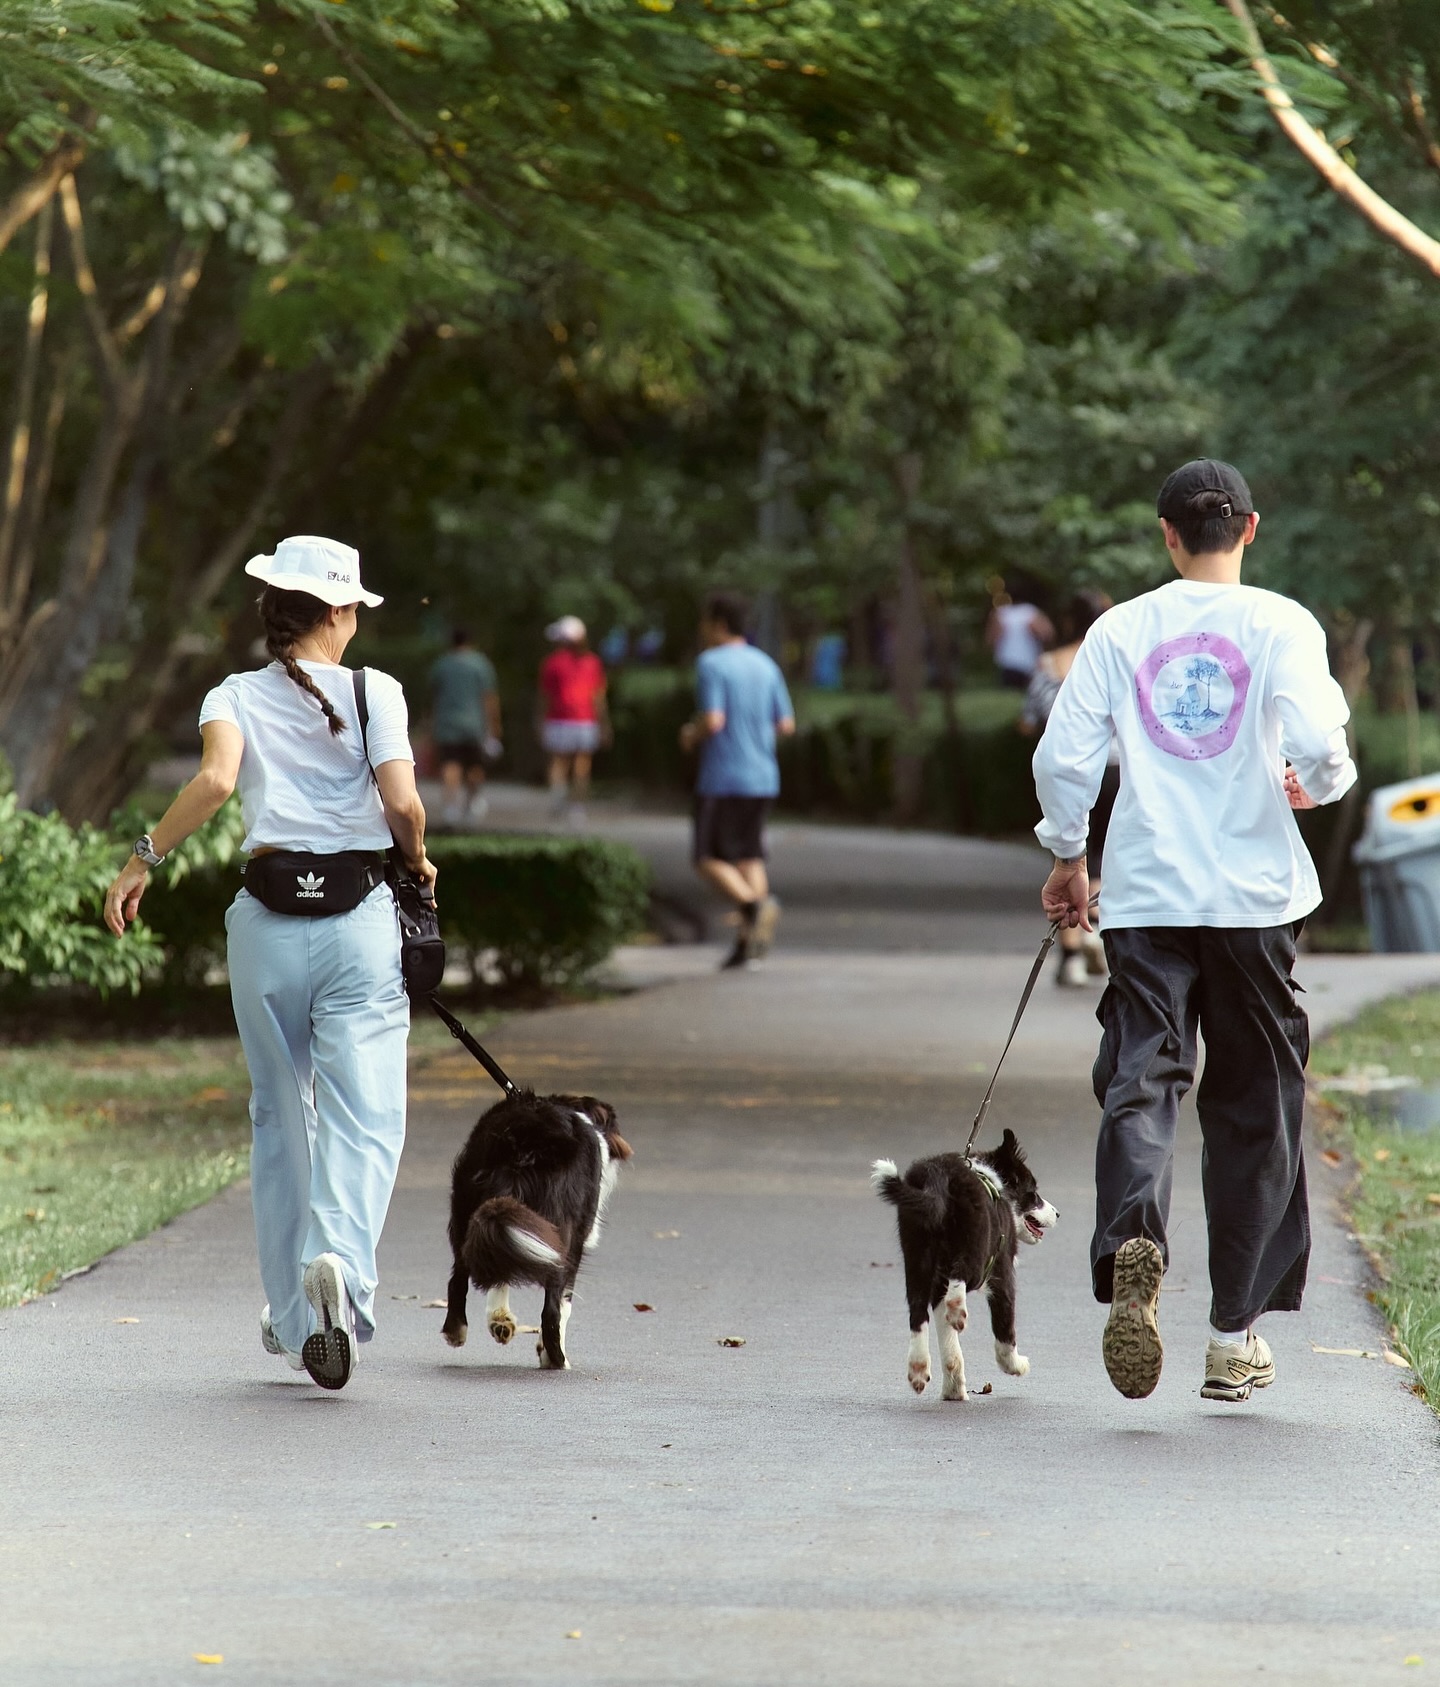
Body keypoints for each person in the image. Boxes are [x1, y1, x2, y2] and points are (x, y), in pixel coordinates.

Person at [1032, 461, 1356, 1406]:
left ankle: (1135, 1234)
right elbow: (1325, 746)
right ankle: (1232, 1337)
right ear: (1249, 528)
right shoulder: (1282, 623)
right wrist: (1314, 783)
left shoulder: (1120, 628)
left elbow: (1066, 754)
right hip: (1255, 898)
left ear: (1166, 533)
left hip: (1146, 892)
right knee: (1256, 1105)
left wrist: (1067, 855)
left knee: (1143, 1075)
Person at [104, 535, 434, 1393]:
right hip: (357, 918)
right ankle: (338, 1264)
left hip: (264, 923)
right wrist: (421, 858)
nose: (357, 618)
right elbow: (401, 802)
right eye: (354, 605)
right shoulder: (379, 692)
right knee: (365, 1115)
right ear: (334, 611)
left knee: (280, 1116)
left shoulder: (234, 693)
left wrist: (144, 858)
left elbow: (214, 785)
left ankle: (294, 1317)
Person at [679, 590, 796, 969]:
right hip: (763, 775)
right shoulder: (766, 665)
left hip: (723, 777)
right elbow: (786, 724)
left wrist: (690, 734)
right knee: (748, 855)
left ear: (717, 624)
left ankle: (754, 907)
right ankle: (750, 945)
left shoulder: (711, 664)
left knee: (706, 857)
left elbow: (713, 720)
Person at [1018, 589, 1117, 986]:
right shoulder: (1113, 662)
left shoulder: (1048, 664)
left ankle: (1072, 956)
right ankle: (1095, 921)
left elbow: (1029, 719)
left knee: (1071, 852)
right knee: (1104, 855)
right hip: (1116, 770)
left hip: (1067, 773)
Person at [539, 615, 609, 823]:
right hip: (585, 720)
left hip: (559, 719)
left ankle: (558, 800)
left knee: (558, 762)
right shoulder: (593, 662)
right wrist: (604, 724)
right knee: (582, 765)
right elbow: (598, 697)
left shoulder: (551, 663)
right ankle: (576, 808)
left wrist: (540, 721)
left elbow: (544, 697)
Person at [429, 628, 502, 827]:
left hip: (447, 724)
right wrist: (494, 726)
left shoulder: (442, 665)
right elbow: (489, 698)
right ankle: (471, 804)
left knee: (450, 765)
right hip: (474, 724)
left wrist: (431, 725)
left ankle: (450, 807)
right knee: (475, 766)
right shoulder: (480, 665)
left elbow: (434, 698)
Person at [987, 587, 1054, 689]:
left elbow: (991, 638)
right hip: (1028, 663)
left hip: (1007, 662)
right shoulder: (1031, 612)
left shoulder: (1001, 614)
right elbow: (1047, 634)